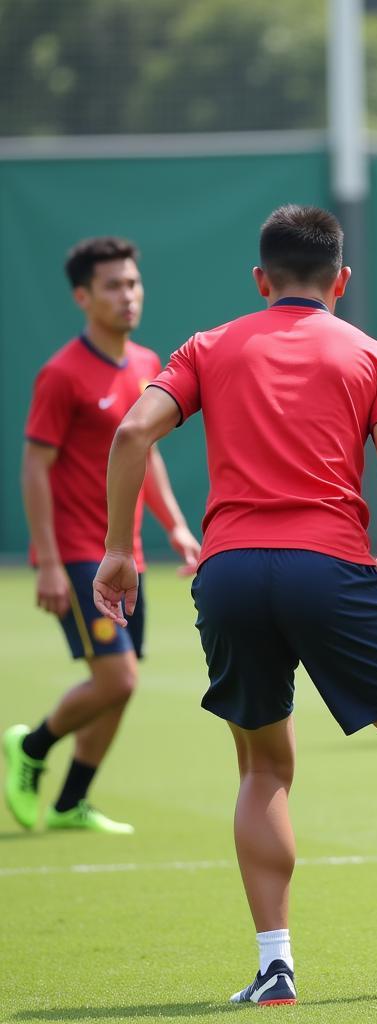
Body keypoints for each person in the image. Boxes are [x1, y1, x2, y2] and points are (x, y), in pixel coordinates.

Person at [92, 206, 377, 1005]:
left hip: (226, 575)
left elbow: (130, 434)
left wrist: (120, 550)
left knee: (263, 767)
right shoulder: (373, 355)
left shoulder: (206, 346)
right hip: (328, 568)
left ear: (261, 281)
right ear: (342, 280)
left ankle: (275, 966)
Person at [4, 237, 200, 836]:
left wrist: (176, 528)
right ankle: (31, 746)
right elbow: (36, 465)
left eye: (134, 283)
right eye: (114, 286)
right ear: (83, 297)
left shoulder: (146, 365)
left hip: (127, 554)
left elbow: (148, 455)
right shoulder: (61, 374)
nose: (128, 295)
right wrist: (47, 562)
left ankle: (70, 804)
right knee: (119, 678)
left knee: (118, 686)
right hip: (81, 553)